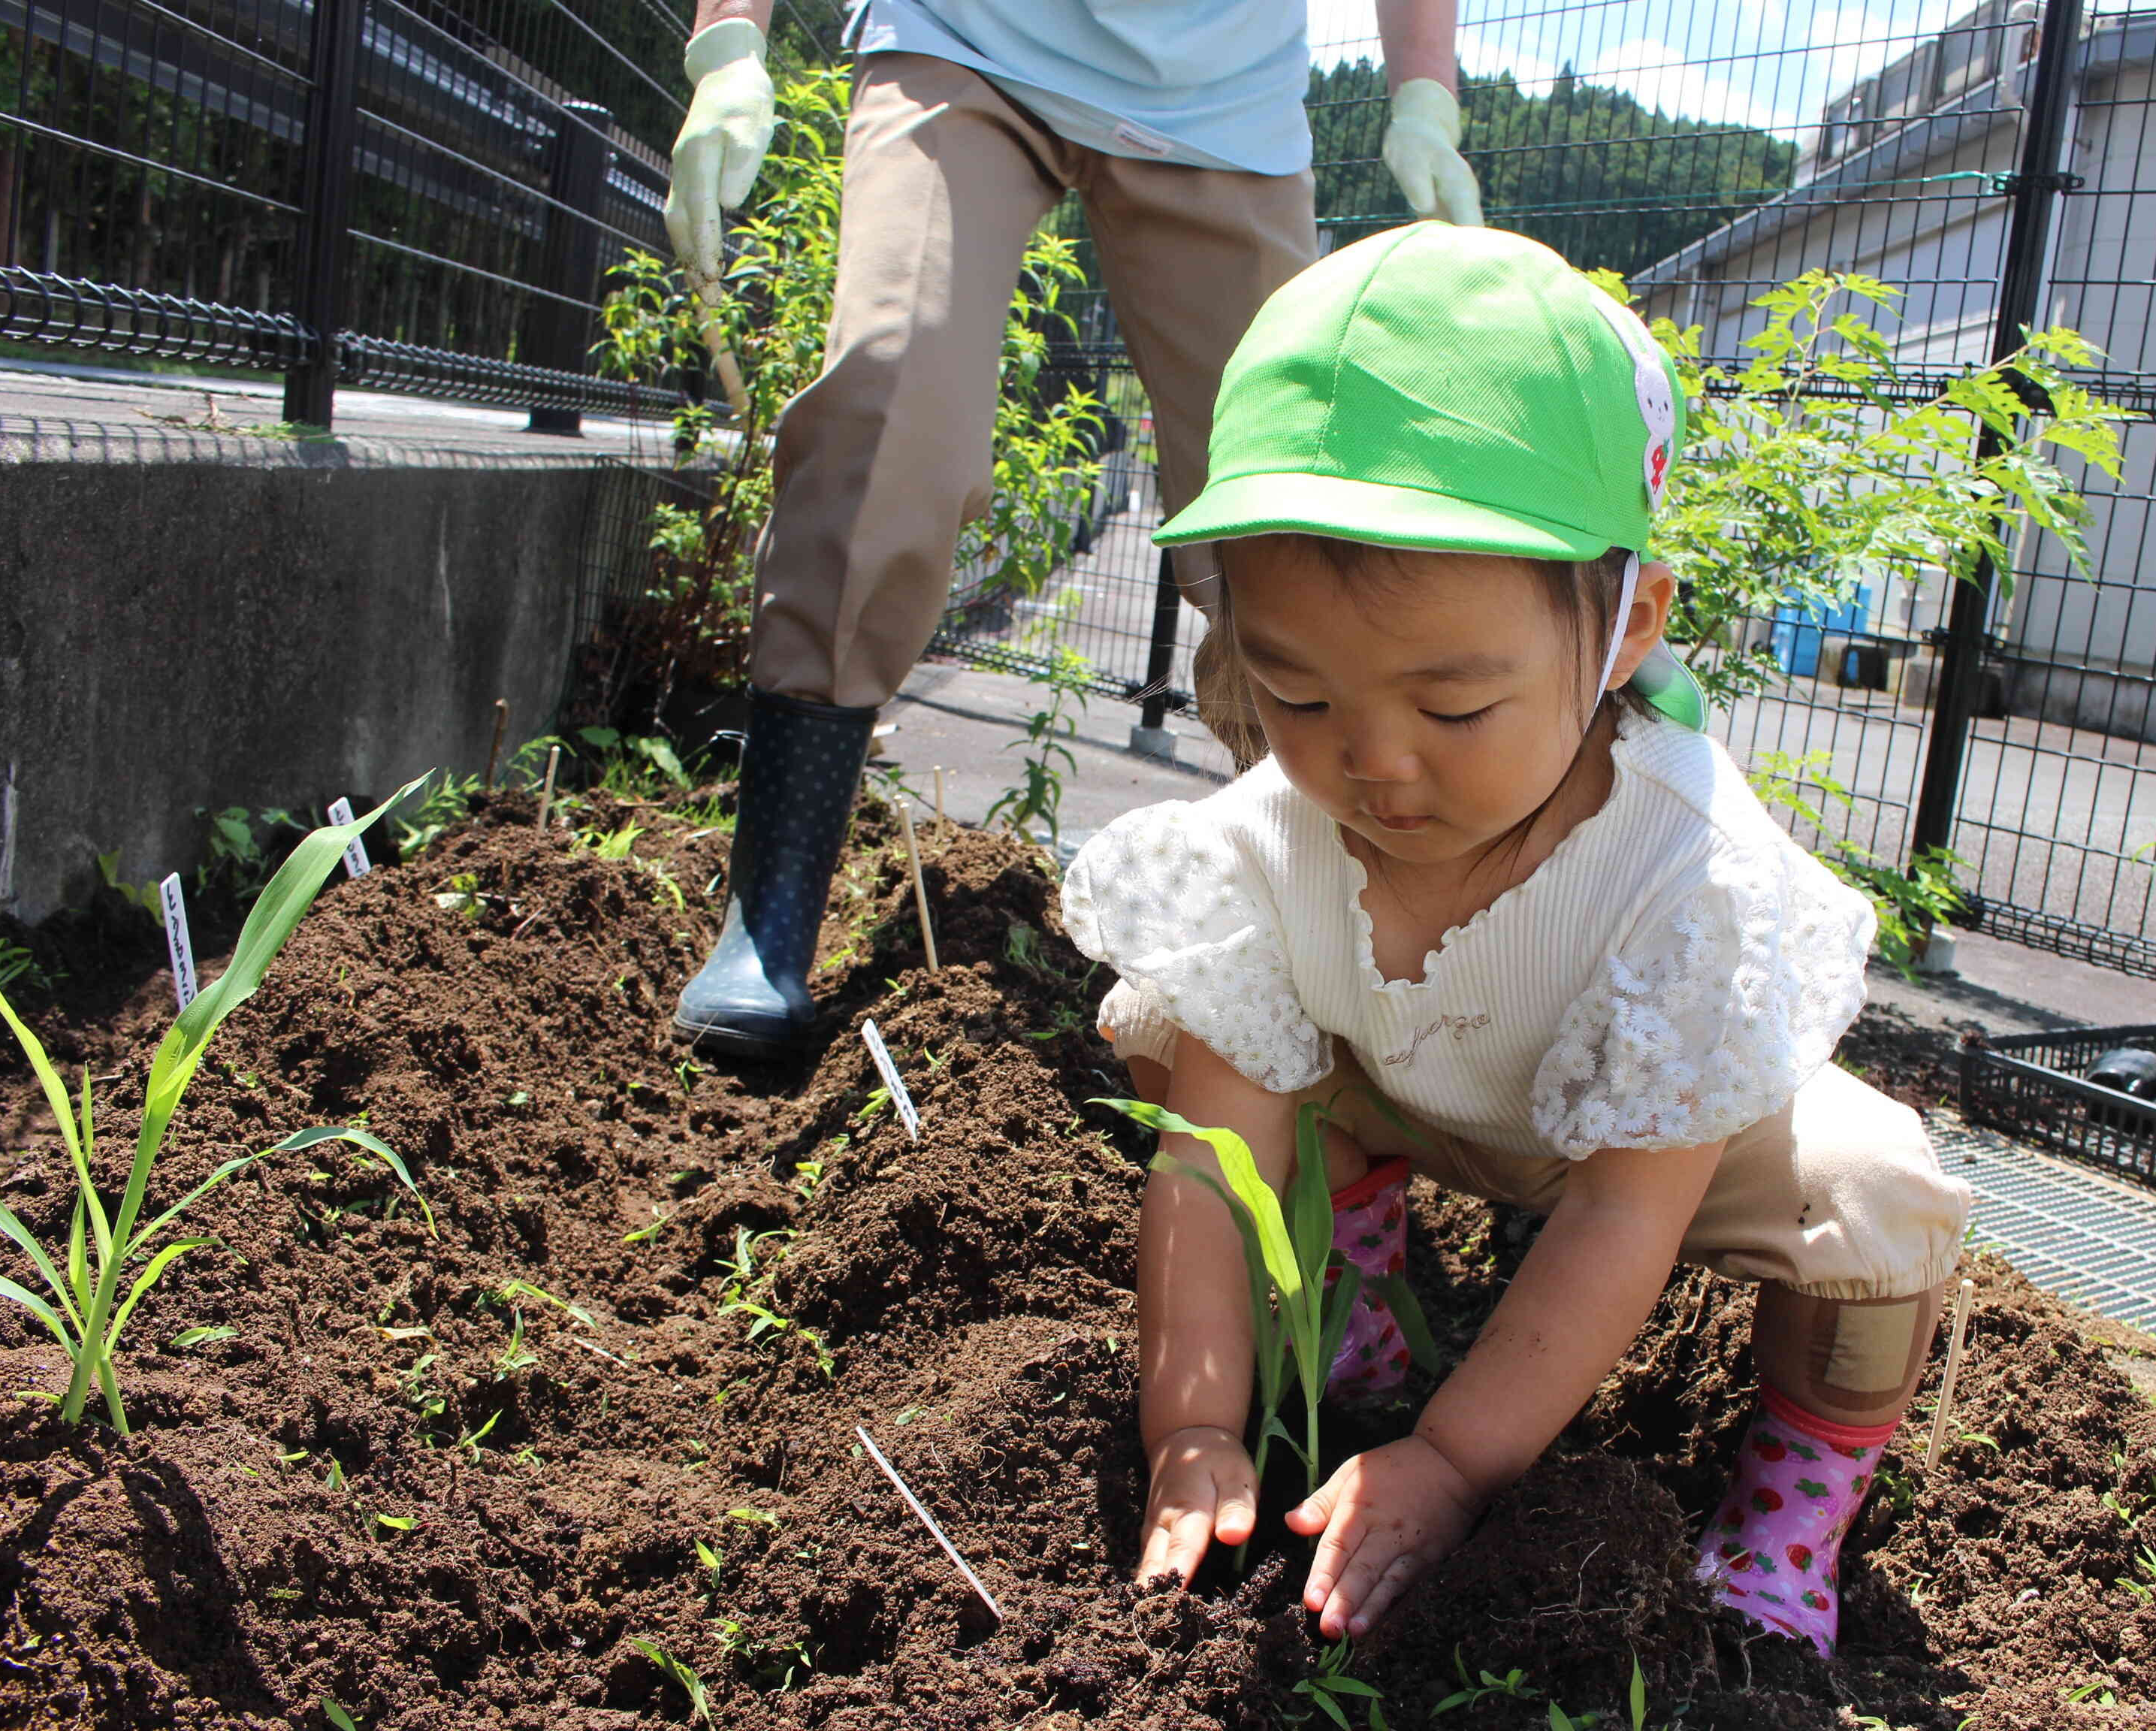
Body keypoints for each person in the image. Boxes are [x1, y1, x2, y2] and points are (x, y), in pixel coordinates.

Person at [1058, 224, 1972, 1652]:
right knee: (1186, 1044)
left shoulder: (1688, 875)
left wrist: (1455, 1461)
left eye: (1456, 709)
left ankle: (1787, 1524)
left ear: (1624, 629)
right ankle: (1357, 1299)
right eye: (1296, 696)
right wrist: (1190, 1425)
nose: (1378, 766)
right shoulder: (1265, 843)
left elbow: (1622, 1215)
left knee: (1870, 1197)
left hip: (1649, 1138)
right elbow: (1213, 1162)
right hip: (1402, 1090)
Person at [659, 0, 1484, 1058]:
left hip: (1219, 97)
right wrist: (731, 39)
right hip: (964, 41)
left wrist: (1423, 90)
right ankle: (769, 923)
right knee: (890, 416)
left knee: (1284, 507)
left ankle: (1323, 942)